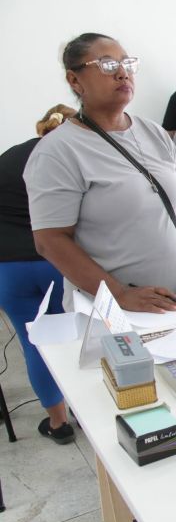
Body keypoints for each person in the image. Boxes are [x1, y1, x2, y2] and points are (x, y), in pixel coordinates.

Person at [24, 33, 176, 314]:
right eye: (106, 65)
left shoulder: (153, 133)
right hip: (111, 310)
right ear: (74, 80)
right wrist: (118, 293)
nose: (122, 73)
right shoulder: (58, 151)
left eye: (126, 63)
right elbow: (50, 241)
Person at [0, 104, 76, 443]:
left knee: (35, 344)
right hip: (55, 263)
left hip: (8, 269)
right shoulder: (70, 160)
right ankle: (86, 408)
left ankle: (58, 423)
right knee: (72, 339)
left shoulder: (10, 157)